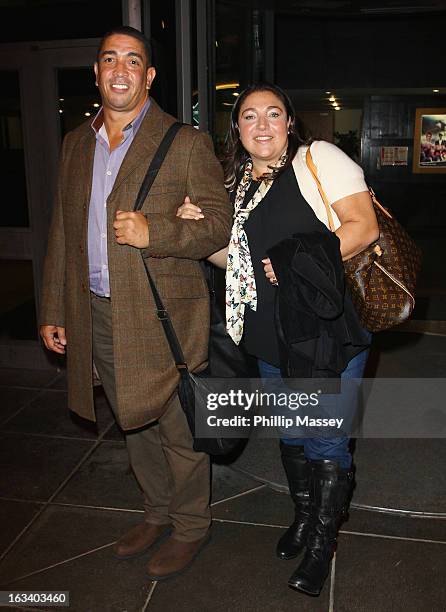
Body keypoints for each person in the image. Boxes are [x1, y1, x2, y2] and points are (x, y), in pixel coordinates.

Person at [39, 26, 232, 580]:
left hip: (161, 313)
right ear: (96, 73)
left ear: (148, 76)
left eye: (132, 61)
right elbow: (63, 232)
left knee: (177, 426)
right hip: (97, 308)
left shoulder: (186, 142)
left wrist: (159, 233)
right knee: (132, 420)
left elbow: (219, 227)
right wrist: (53, 307)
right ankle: (155, 511)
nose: (119, 70)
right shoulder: (77, 142)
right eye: (108, 60)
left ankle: (192, 525)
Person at [177, 82, 379, 596]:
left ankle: (321, 543)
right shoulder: (238, 182)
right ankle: (306, 517)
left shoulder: (319, 159)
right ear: (237, 128)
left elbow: (363, 227)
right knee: (291, 434)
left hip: (324, 331)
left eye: (273, 114)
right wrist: (201, 239)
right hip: (270, 333)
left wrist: (295, 261)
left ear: (290, 122)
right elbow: (243, 265)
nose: (261, 125)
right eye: (249, 116)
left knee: (326, 437)